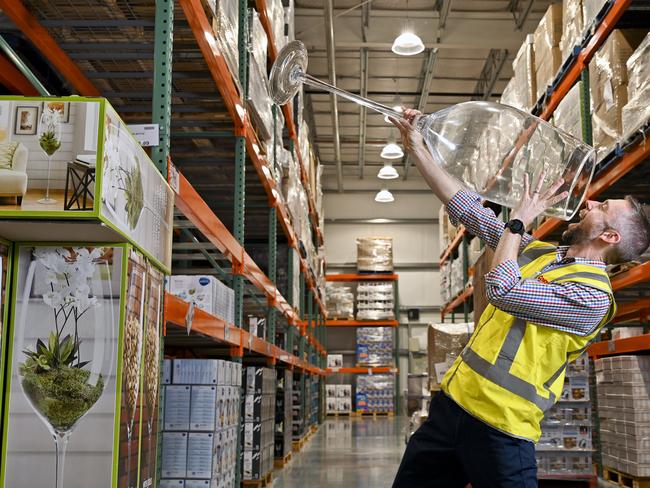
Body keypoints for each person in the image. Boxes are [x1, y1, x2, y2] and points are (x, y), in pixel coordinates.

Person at [390, 109, 650, 488]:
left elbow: (503, 289)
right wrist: (418, 149)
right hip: (452, 407)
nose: (590, 203)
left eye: (603, 208)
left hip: (502, 428)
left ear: (610, 237)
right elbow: (471, 213)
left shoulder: (592, 297)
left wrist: (517, 222)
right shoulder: (543, 253)